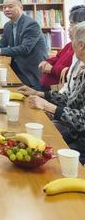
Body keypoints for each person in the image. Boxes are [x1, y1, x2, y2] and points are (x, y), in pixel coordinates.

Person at [17, 21, 85, 164]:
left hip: (80, 140)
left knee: (42, 154)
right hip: (75, 133)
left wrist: (48, 107)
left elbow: (82, 120)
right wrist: (40, 94)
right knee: (32, 141)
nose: (70, 45)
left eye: (72, 41)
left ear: (81, 46)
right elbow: (71, 100)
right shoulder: (82, 67)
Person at [0, 0, 48, 90]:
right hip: (15, 68)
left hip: (30, 73)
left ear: (21, 7)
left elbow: (24, 49)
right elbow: (3, 42)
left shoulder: (31, 24)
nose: (6, 9)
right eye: (4, 7)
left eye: (10, 6)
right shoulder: (8, 25)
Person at [38, 5, 85, 89]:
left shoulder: (80, 49)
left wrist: (52, 69)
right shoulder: (70, 45)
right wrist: (48, 62)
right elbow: (58, 57)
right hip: (51, 91)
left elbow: (73, 74)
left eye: (72, 25)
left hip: (58, 92)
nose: (68, 29)